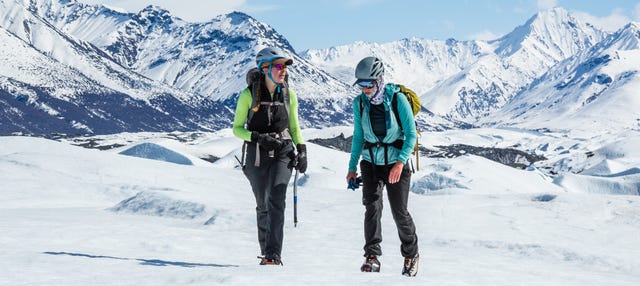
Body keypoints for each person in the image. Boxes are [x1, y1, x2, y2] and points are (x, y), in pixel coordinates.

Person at [232, 47, 307, 266]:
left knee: (276, 198)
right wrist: (258, 138)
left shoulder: (289, 95)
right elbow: (237, 129)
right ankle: (266, 252)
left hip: (283, 152)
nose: (283, 71)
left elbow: (294, 126)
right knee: (263, 204)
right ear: (264, 69)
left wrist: (301, 149)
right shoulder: (248, 95)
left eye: (284, 66)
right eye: (278, 66)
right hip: (257, 155)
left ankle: (274, 255)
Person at [346, 56, 420, 276]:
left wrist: (399, 163)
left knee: (399, 212)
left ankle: (410, 254)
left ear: (379, 80)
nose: (365, 89)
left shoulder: (398, 100)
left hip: (396, 162)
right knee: (372, 207)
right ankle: (372, 256)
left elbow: (411, 135)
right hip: (370, 162)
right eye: (361, 84)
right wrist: (351, 168)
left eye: (368, 84)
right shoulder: (359, 103)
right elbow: (358, 137)